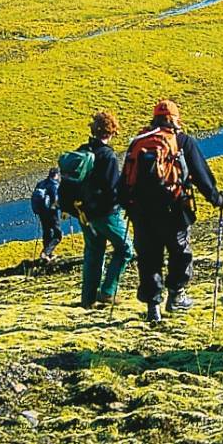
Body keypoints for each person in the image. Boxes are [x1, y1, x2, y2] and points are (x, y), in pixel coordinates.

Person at [122, 99, 223, 324]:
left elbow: (125, 179)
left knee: (149, 257)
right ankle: (176, 295)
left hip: (142, 212)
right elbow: (201, 175)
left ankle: (153, 307)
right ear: (175, 119)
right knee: (180, 252)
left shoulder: (138, 142)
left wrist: (127, 206)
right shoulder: (182, 141)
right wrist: (217, 198)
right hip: (174, 208)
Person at [78, 110, 135, 309]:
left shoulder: (84, 150)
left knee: (94, 252)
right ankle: (108, 291)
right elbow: (113, 188)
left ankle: (88, 299)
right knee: (126, 248)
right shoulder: (108, 156)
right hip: (106, 214)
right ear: (111, 132)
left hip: (84, 213)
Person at [32, 167, 62, 263]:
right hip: (51, 212)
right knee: (58, 235)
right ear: (56, 175)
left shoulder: (41, 183)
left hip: (41, 212)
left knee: (47, 232)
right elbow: (55, 201)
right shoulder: (54, 185)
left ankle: (48, 255)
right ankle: (45, 253)